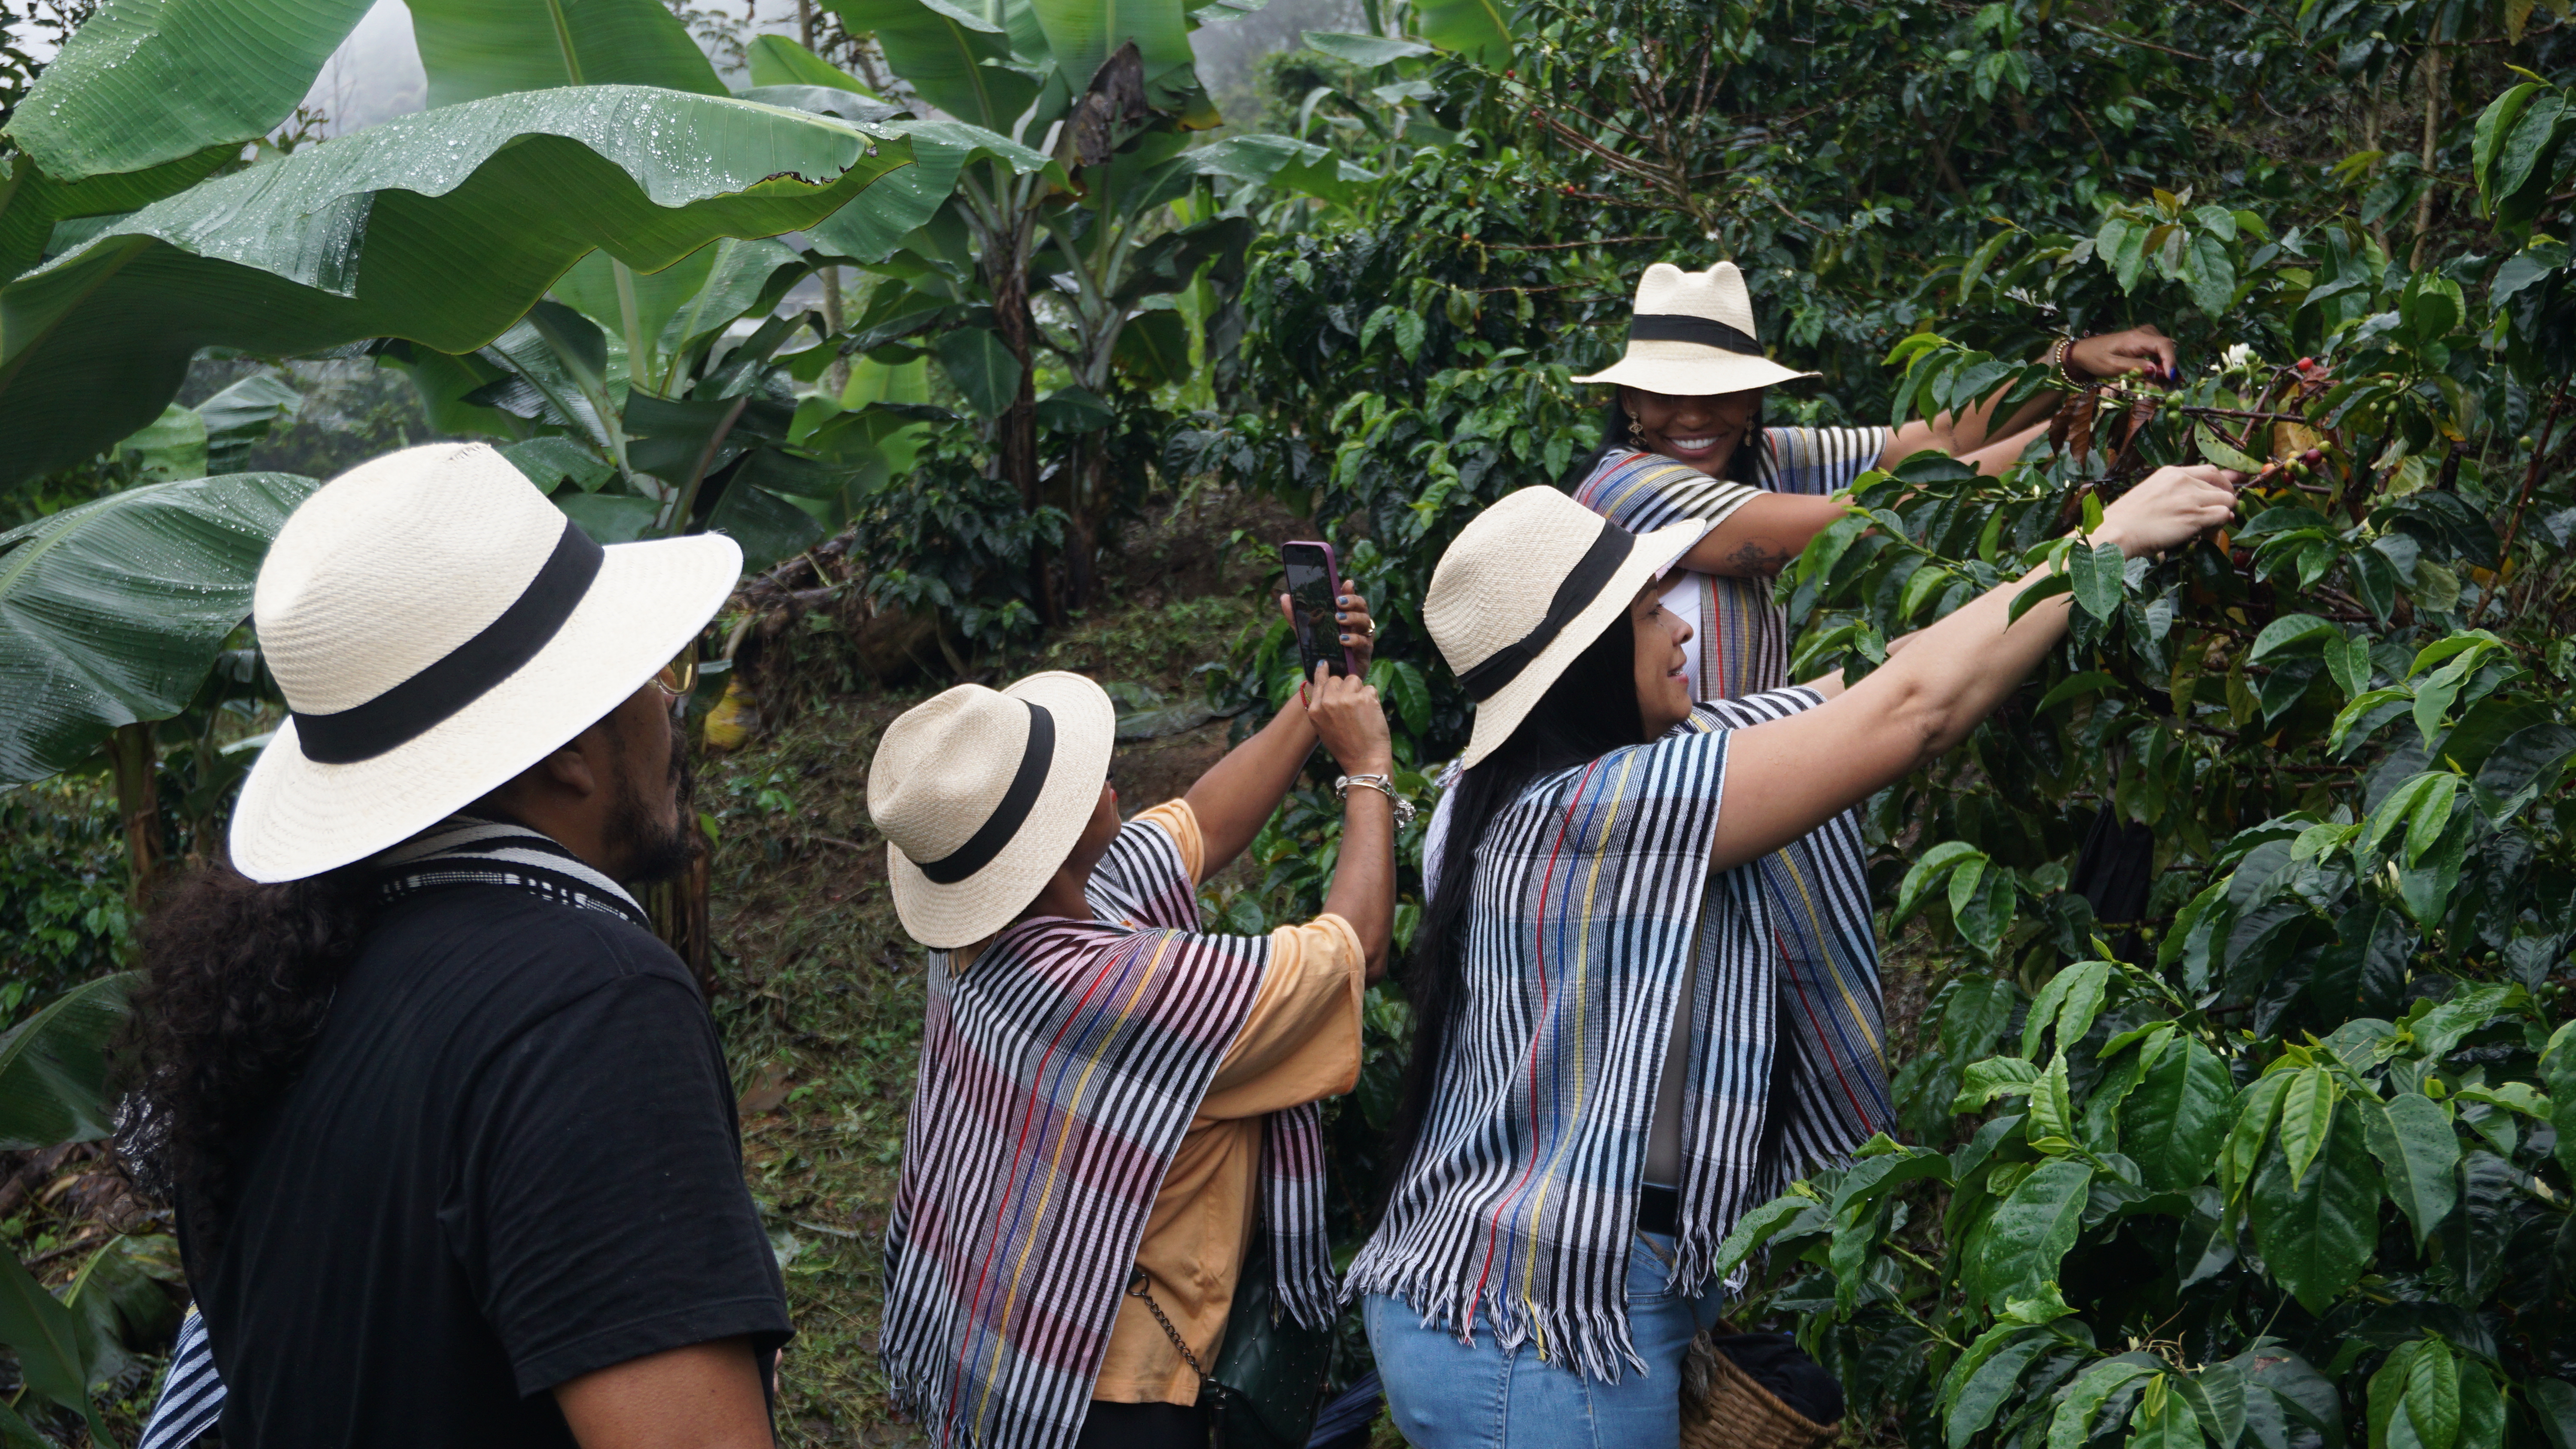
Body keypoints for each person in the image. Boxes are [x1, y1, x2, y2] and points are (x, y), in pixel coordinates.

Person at [1349, 468, 2240, 1447]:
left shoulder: (1502, 790)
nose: (1682, 628)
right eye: (1653, 614)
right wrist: (2101, 547)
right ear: (1590, 661)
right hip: (1537, 1333)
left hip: (1526, 1294)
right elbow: (1909, 715)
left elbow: (1874, 683)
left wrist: (2048, 576)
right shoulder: (1594, 811)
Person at [121, 443, 788, 1448]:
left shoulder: (278, 984)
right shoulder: (589, 1001)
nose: (672, 707)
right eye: (658, 671)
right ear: (567, 746)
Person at [868, 623, 1397, 1449]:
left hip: (1009, 1342)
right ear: (1045, 850)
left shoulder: (986, 927)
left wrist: (1315, 702)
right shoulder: (1118, 990)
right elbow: (1351, 949)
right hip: (1116, 1396)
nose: (1103, 775)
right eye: (1072, 785)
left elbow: (1201, 825)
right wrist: (1367, 772)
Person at [1565, 260, 2181, 698]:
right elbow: (1856, 523)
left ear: (1755, 398)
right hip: (1656, 791)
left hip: (1737, 760)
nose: (1695, 416)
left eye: (1721, 392)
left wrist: (2067, 367)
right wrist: (2089, 419)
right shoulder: (1623, 488)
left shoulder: (1767, 458)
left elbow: (1931, 443)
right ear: (1629, 402)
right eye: (1668, 394)